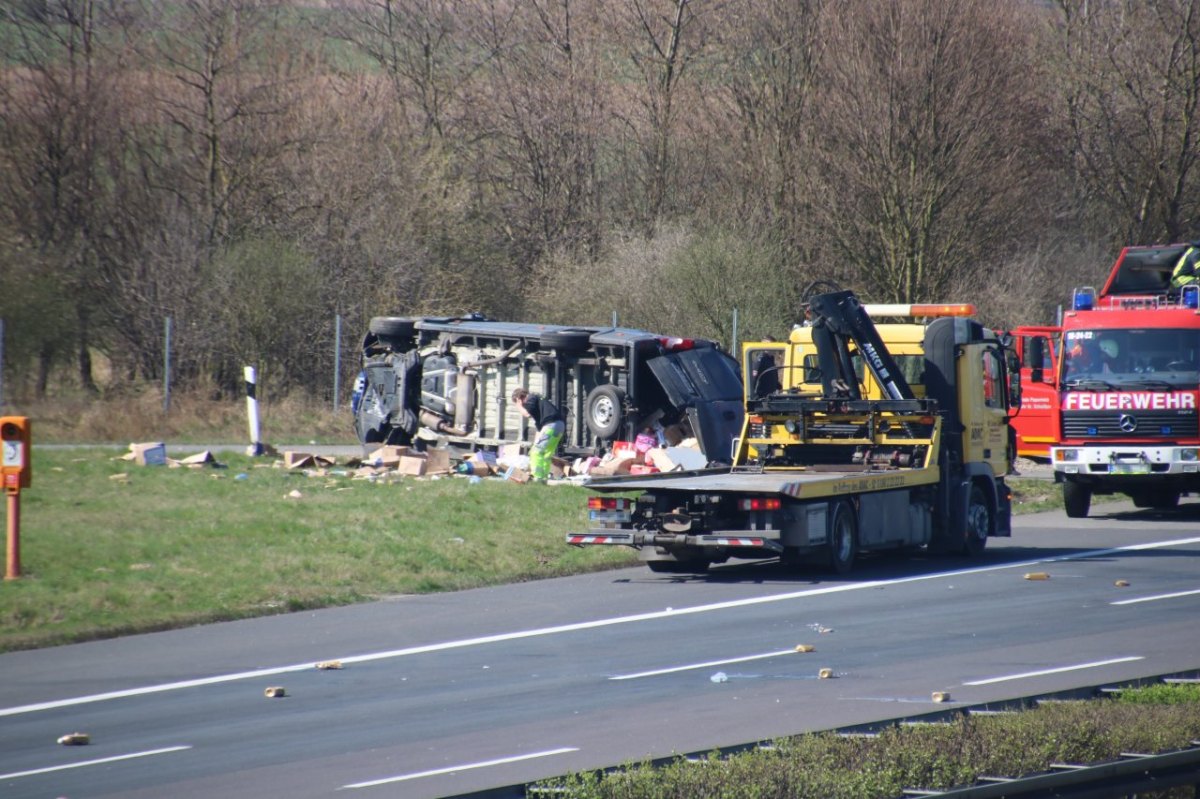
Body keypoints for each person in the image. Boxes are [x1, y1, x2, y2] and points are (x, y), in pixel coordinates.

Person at [511, 388, 565, 482]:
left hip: (551, 425)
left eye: (517, 402)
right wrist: (535, 444)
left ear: (520, 398)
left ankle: (538, 477)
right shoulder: (538, 402)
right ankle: (544, 477)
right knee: (546, 454)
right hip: (559, 426)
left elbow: (526, 414)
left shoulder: (530, 398)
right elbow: (540, 430)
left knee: (536, 452)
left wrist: (519, 405)